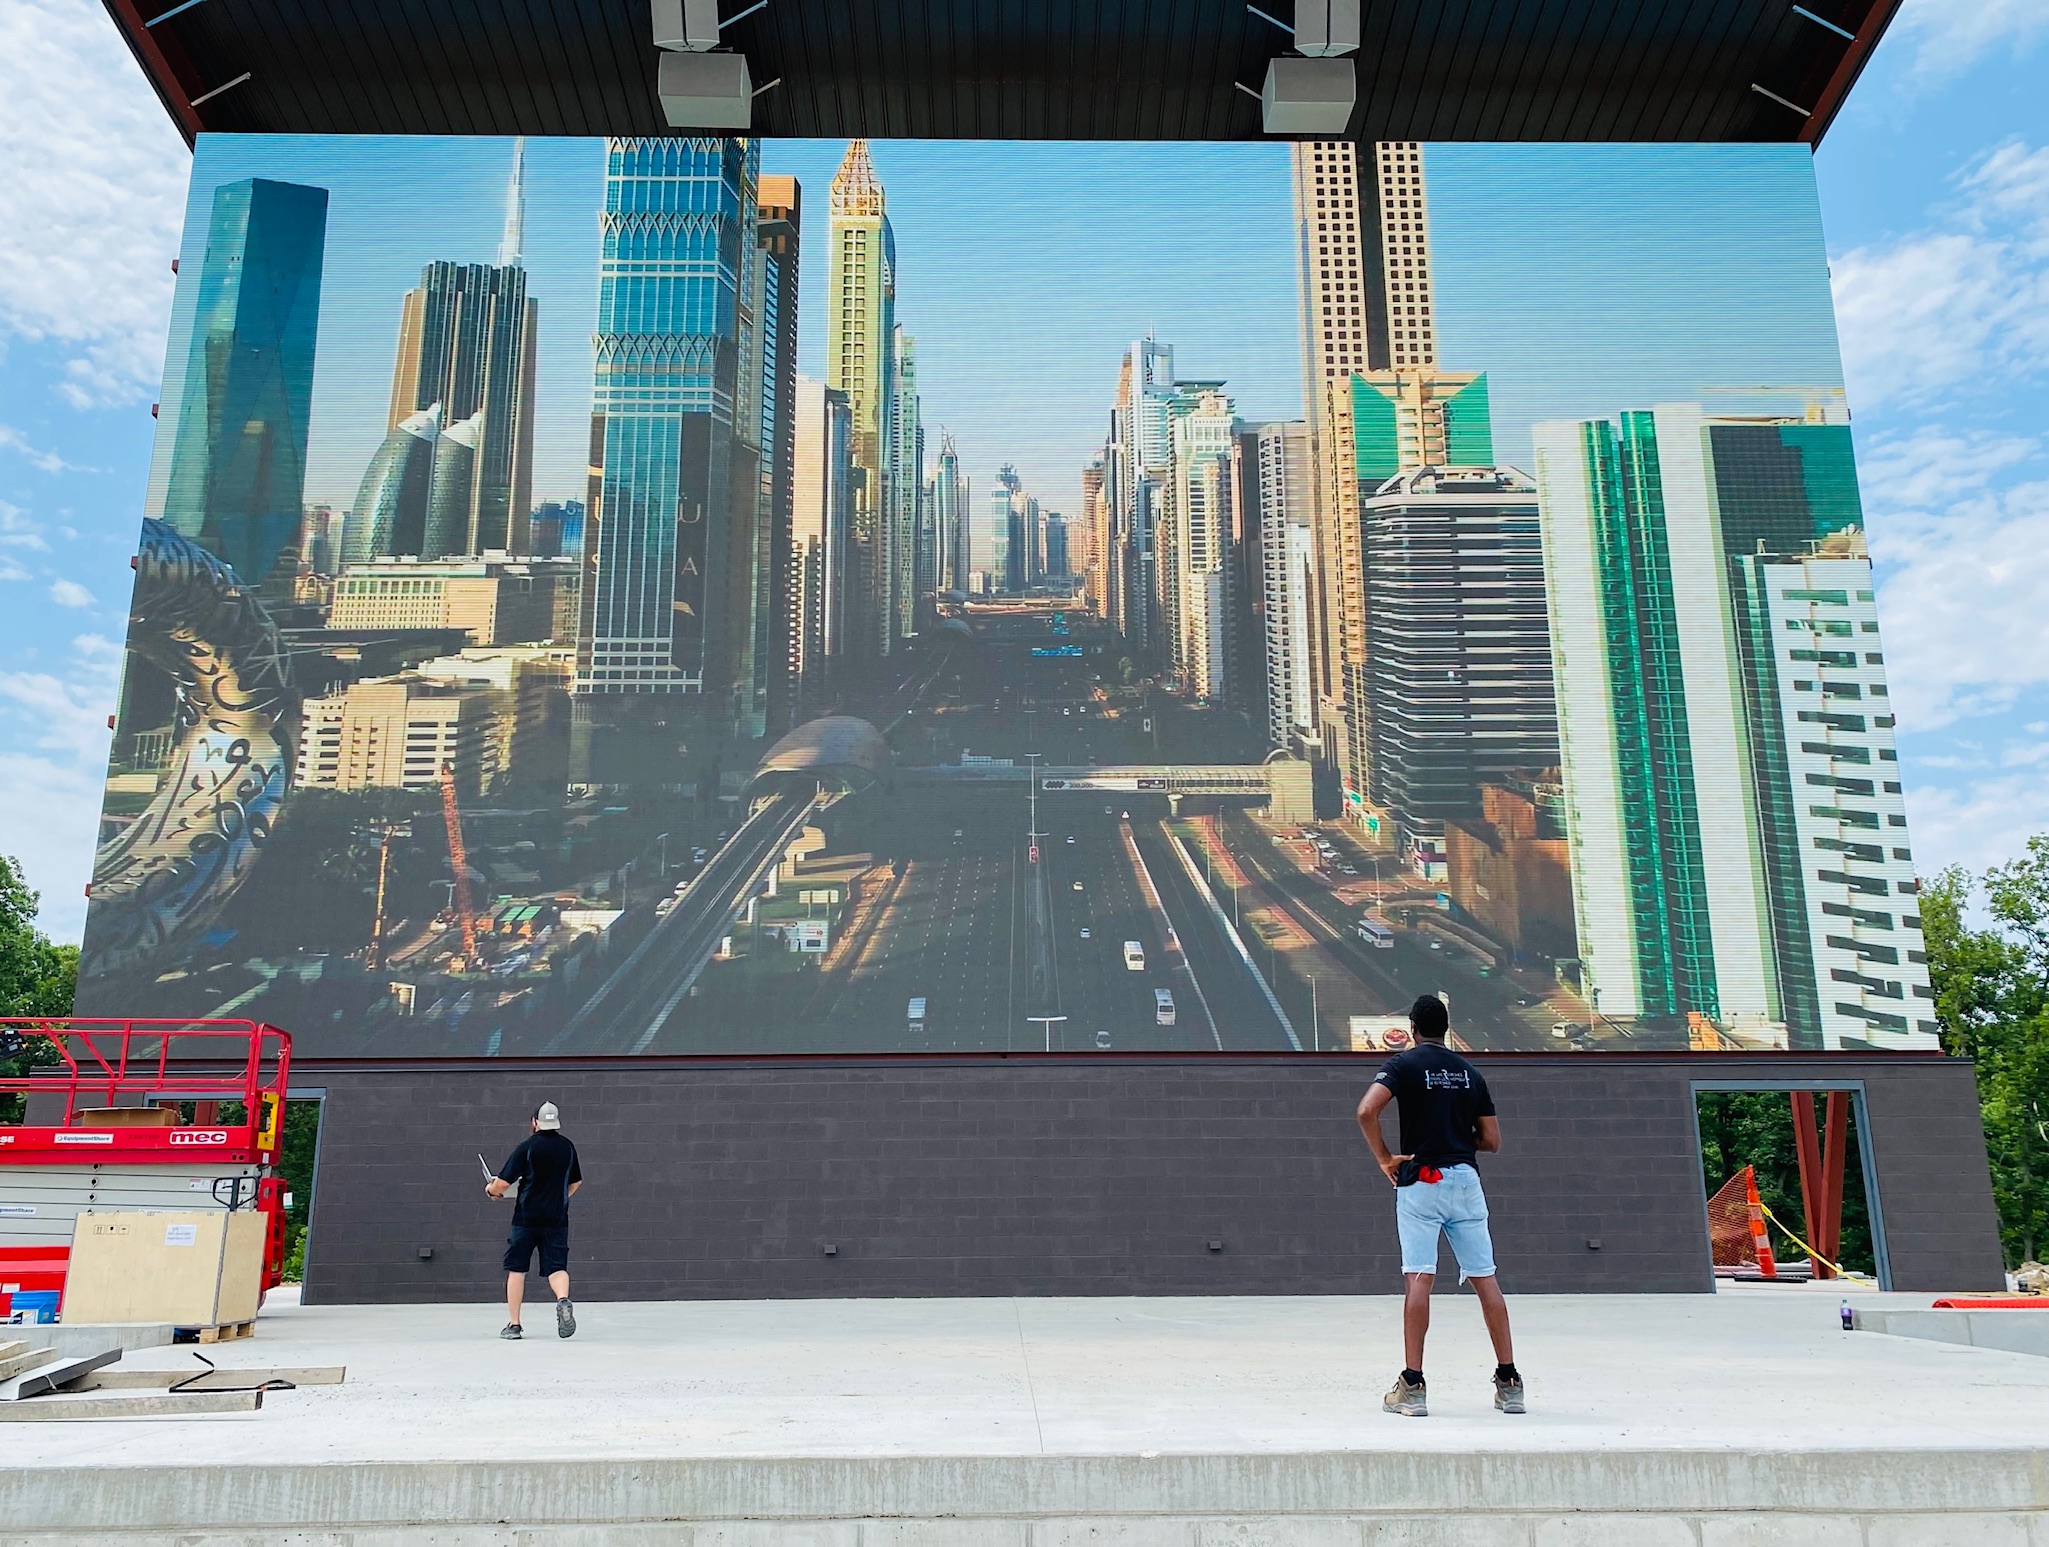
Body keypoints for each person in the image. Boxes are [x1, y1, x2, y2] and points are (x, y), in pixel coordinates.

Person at [1356, 994, 1523, 1417]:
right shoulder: (1470, 1073)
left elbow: (1366, 1111)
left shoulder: (1402, 1065)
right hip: (1465, 1181)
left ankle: (1412, 1387)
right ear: (1446, 1028)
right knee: (1486, 1280)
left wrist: (1384, 1158)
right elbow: (1493, 1141)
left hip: (1421, 1181)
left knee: (1419, 1279)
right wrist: (1457, 1137)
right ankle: (1510, 1383)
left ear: (1413, 1028)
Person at [487, 1101, 583, 1340]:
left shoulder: (527, 1147)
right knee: (557, 1267)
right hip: (557, 1219)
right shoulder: (567, 1147)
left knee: (517, 1269)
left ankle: (514, 1325)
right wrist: (559, 1200)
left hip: (526, 1218)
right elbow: (575, 1182)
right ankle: (563, 1300)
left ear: (534, 1122)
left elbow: (503, 1184)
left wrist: (491, 1190)